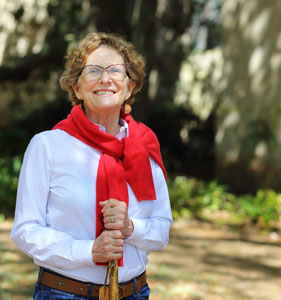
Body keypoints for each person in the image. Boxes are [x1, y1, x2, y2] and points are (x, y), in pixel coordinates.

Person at [10, 32, 172, 300]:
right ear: (77, 88)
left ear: (130, 87)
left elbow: (161, 229)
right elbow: (26, 231)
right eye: (94, 70)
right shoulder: (47, 146)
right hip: (64, 294)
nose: (105, 79)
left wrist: (131, 227)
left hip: (134, 293)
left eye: (116, 71)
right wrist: (87, 251)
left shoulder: (145, 146)